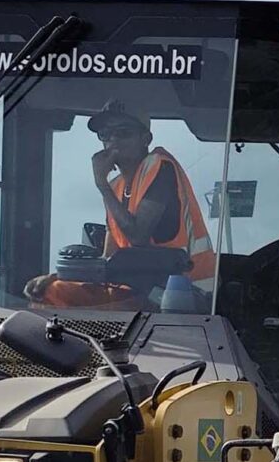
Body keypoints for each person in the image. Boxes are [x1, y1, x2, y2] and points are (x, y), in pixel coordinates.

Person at [24, 100, 215, 308]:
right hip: (143, 289)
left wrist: (101, 184)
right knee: (50, 293)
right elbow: (108, 260)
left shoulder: (160, 166)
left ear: (145, 139)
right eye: (106, 135)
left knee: (92, 316)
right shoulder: (116, 188)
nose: (113, 140)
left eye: (123, 133)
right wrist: (55, 276)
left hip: (185, 294)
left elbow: (138, 236)